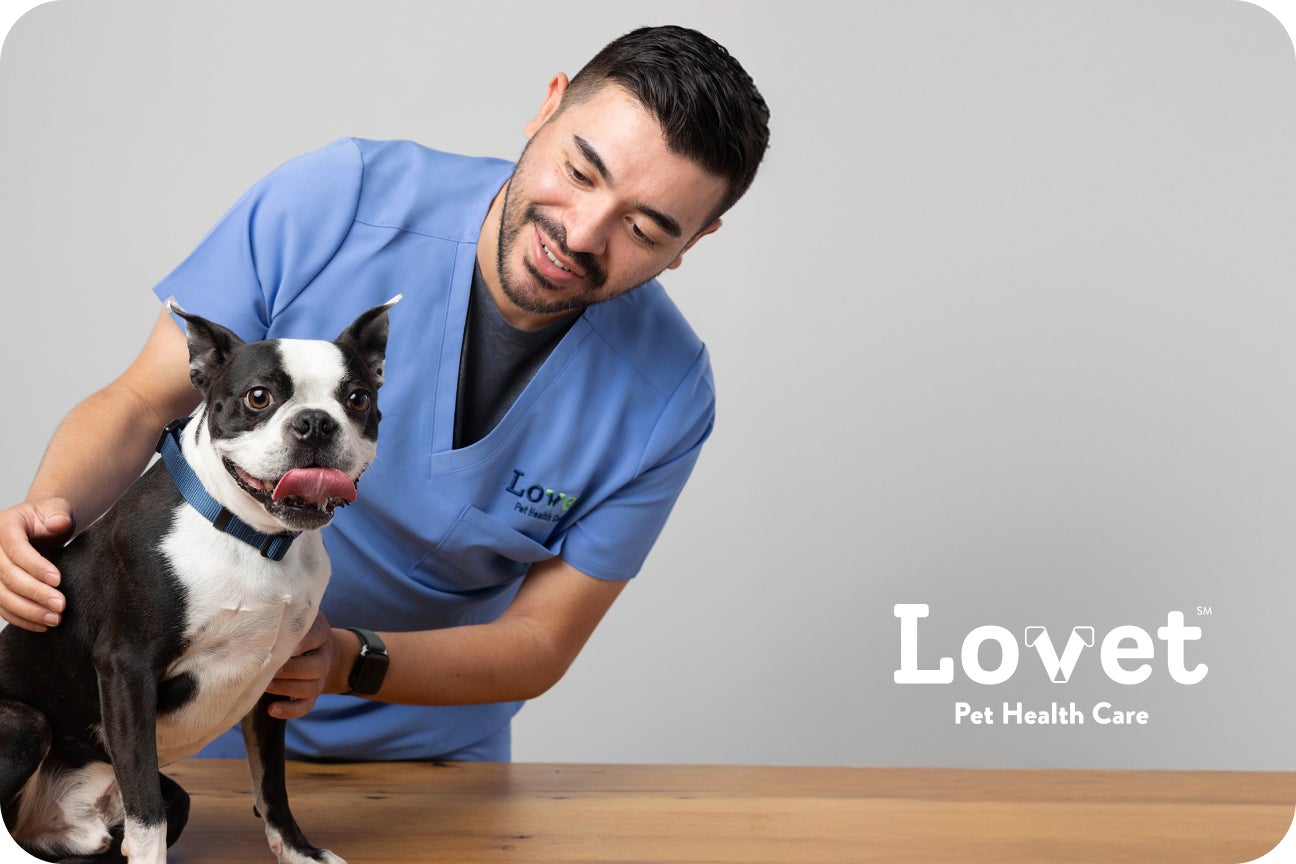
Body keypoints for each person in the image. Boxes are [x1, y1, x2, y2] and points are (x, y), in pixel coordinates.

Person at [0, 25, 769, 761]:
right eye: (579, 171)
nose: (581, 233)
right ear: (548, 105)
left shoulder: (667, 394)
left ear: (694, 242)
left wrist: (341, 659)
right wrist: (41, 528)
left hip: (426, 759)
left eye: (644, 227)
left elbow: (541, 642)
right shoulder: (339, 203)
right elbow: (139, 403)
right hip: (173, 729)